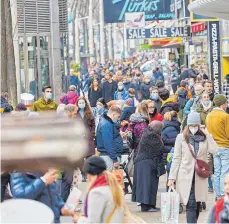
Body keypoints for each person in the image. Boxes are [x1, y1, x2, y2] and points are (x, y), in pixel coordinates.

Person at [168, 112, 218, 224]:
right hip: (185, 175)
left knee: (197, 204)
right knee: (190, 204)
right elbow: (176, 158)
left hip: (200, 175)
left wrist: (208, 135)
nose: (194, 128)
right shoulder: (181, 138)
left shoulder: (205, 138)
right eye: (191, 125)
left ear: (200, 125)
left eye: (196, 125)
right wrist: (172, 177)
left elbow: (215, 150)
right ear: (187, 126)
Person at [73, 156, 124, 223]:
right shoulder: (114, 187)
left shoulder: (97, 192)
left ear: (89, 174)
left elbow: (93, 222)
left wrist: (78, 220)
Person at [132, 121, 164, 212]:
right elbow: (159, 147)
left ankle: (151, 205)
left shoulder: (149, 133)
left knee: (152, 184)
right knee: (146, 184)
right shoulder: (150, 135)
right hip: (144, 163)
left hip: (149, 162)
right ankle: (145, 206)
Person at [206, 94, 229, 200]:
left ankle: (218, 194)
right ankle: (223, 194)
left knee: (217, 172)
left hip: (214, 147)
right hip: (225, 146)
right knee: (225, 172)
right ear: (223, 104)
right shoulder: (225, 116)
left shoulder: (209, 115)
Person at [96, 105, 123, 170]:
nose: (118, 119)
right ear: (114, 114)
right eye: (118, 116)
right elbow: (108, 143)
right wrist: (114, 159)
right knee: (110, 179)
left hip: (108, 155)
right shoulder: (106, 124)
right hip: (109, 157)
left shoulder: (105, 122)